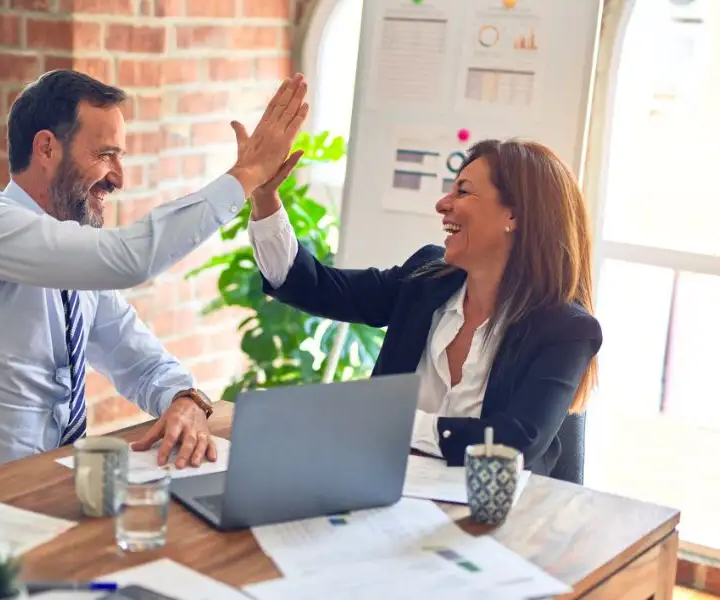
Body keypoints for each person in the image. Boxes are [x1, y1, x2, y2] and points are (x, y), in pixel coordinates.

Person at [0, 69, 309, 485]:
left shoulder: (74, 267)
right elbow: (130, 259)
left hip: (40, 496)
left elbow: (142, 362)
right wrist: (247, 175)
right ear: (47, 149)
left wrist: (184, 399)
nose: (118, 177)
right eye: (106, 154)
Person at [246, 138, 602, 476]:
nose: (442, 204)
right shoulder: (425, 279)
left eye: (463, 191)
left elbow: (514, 443)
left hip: (496, 519)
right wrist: (265, 198)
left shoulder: (566, 329)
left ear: (514, 215)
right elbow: (312, 286)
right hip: (385, 492)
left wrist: (393, 421)